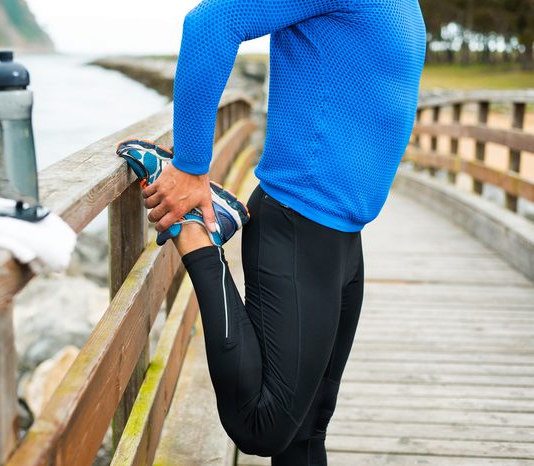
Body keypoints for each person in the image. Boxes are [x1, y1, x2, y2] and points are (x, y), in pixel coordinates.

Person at [116, 0, 425, 463]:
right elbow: (212, 23)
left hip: (343, 237)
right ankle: (194, 231)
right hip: (298, 226)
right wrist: (191, 168)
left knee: (308, 429)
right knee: (262, 427)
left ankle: (205, 214)